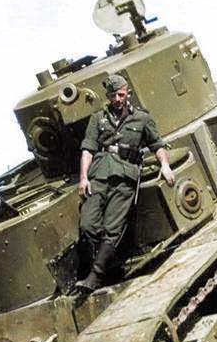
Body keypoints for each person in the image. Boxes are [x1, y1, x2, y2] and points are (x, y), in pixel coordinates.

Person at [74, 74, 175, 294]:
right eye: (113, 95)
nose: (117, 99)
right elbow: (88, 149)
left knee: (112, 228)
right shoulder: (97, 118)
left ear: (127, 92)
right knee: (88, 226)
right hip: (99, 174)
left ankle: (96, 276)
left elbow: (157, 145)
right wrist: (83, 178)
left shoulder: (142, 118)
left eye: (121, 94)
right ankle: (106, 263)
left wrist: (165, 165)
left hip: (125, 178)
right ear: (108, 96)